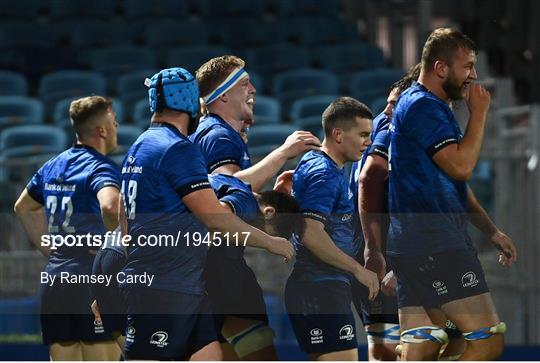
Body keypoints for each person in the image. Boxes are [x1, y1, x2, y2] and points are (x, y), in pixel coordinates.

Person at [118, 67, 294, 360]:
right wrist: (270, 241)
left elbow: (123, 213)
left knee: (211, 356)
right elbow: (215, 217)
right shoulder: (177, 149)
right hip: (166, 288)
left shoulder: (139, 145)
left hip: (182, 287)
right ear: (188, 100)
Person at [387, 28, 517, 360]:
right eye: (468, 67)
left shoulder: (429, 106)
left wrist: (490, 230)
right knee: (486, 342)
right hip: (435, 243)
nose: (474, 76)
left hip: (415, 244)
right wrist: (479, 113)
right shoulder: (422, 107)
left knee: (423, 349)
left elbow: (452, 184)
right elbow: (462, 168)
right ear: (441, 68)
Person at [14, 96, 122, 360]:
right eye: (115, 122)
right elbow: (110, 206)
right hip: (90, 279)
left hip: (55, 281)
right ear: (102, 130)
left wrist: (51, 251)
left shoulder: (53, 165)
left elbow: (23, 207)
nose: (118, 127)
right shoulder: (101, 167)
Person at [284, 97, 380, 361]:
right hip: (318, 288)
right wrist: (358, 270)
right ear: (338, 134)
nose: (368, 142)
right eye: (362, 135)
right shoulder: (324, 172)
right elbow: (310, 233)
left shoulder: (321, 165)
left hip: (324, 287)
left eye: (369, 135)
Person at [204, 173, 304, 361]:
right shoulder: (246, 202)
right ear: (269, 212)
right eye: (265, 231)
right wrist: (269, 242)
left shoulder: (232, 182)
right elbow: (218, 219)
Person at [190, 55, 321, 192]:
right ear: (223, 95)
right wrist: (283, 153)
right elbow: (231, 190)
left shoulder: (219, 131)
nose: (253, 89)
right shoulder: (218, 136)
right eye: (245, 84)